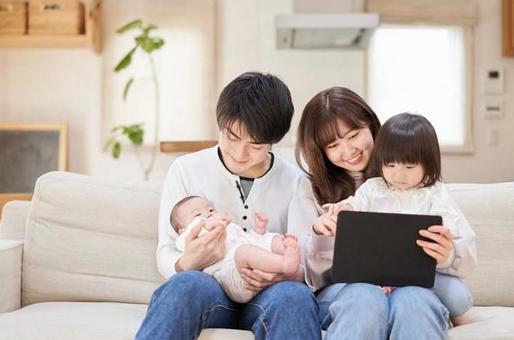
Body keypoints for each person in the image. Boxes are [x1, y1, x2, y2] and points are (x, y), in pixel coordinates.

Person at [136, 72, 320, 340]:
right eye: (231, 136)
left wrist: (284, 276)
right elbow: (165, 250)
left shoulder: (295, 182)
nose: (239, 152)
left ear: (273, 141)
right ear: (220, 125)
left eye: (255, 144)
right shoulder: (186, 170)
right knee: (184, 284)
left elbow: (305, 259)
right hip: (209, 287)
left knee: (294, 295)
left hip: (268, 295)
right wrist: (186, 261)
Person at [295, 86, 477, 339]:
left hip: (410, 285)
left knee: (415, 300)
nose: (348, 151)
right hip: (346, 290)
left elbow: (462, 246)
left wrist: (447, 254)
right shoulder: (310, 188)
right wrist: (322, 234)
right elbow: (304, 270)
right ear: (320, 150)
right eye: (333, 144)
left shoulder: (412, 178)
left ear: (370, 125)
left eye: (354, 135)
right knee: (366, 298)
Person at [171, 195, 301, 303]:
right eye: (198, 214)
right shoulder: (186, 238)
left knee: (271, 238)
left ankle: (289, 256)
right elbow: (196, 232)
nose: (207, 215)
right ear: (182, 230)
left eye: (211, 210)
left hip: (248, 265)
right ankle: (285, 265)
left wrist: (258, 231)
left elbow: (245, 239)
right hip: (232, 277)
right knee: (244, 252)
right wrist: (209, 223)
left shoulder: (229, 228)